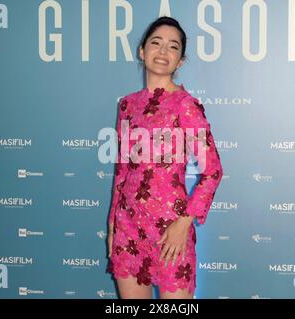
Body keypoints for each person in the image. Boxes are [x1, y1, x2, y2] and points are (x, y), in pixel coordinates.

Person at [106, 16, 223, 299]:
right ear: (142, 51)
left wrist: (184, 223)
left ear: (180, 61)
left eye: (173, 47)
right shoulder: (127, 105)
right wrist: (112, 226)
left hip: (171, 232)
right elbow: (122, 172)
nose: (163, 51)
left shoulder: (186, 106)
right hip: (128, 231)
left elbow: (213, 171)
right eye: (156, 43)